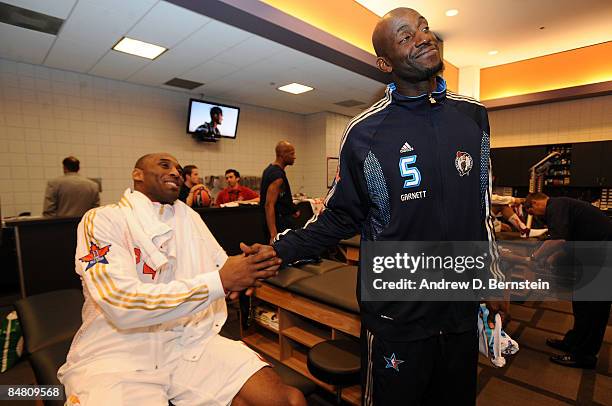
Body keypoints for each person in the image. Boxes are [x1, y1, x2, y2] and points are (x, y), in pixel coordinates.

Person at [271, 8, 505, 405]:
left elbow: (481, 207)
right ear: (385, 63)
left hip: (459, 309)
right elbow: (340, 215)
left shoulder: (473, 116)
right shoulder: (364, 132)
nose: (423, 38)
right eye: (406, 37)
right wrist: (277, 251)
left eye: (424, 29)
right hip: (398, 312)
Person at [58, 153, 305, 406]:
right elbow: (120, 302)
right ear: (137, 174)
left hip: (187, 340)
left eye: (178, 168)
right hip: (119, 351)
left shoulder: (189, 217)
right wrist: (221, 281)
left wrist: (249, 267)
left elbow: (220, 266)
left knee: (286, 400)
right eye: (165, 165)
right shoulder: (104, 219)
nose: (176, 172)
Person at [524, 192, 612, 368]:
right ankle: (573, 342)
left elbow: (557, 240)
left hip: (603, 256)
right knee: (580, 302)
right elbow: (564, 243)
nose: (536, 218)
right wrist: (548, 260)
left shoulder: (555, 206)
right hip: (592, 255)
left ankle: (585, 356)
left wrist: (534, 258)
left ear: (534, 203)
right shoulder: (562, 207)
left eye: (532, 213)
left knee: (593, 307)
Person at [260, 141, 299, 242]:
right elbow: (269, 205)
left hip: (281, 220)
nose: (294, 157)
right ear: (282, 155)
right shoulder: (277, 176)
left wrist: (291, 209)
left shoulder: (270, 170)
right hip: (279, 224)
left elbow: (280, 198)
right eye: (292, 154)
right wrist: (273, 234)